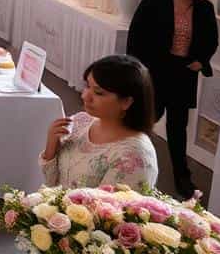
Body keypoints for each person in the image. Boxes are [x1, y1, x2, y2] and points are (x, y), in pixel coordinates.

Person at [126, 0, 218, 198]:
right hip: (154, 70)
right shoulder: (154, 0)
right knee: (146, 119)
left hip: (184, 73)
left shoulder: (204, 8)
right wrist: (137, 69)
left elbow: (211, 39)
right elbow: (135, 34)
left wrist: (201, 60)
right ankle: (127, 162)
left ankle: (182, 177)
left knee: (178, 127)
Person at [40, 55, 159, 192]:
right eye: (87, 86)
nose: (85, 96)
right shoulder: (80, 122)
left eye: (98, 92)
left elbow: (109, 210)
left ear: (126, 102)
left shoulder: (134, 157)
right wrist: (51, 149)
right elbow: (52, 184)